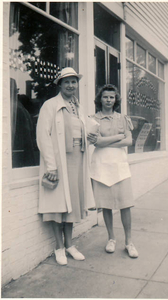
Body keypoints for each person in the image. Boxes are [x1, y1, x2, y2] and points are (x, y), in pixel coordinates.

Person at [36, 67, 97, 265]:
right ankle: (58, 247)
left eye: (74, 82)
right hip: (59, 161)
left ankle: (70, 244)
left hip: (77, 160)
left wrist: (90, 137)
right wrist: (51, 167)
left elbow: (82, 131)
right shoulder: (50, 105)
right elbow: (43, 137)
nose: (71, 85)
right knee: (57, 205)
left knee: (72, 205)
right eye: (67, 82)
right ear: (60, 85)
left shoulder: (78, 107)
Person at [90, 84, 138, 258]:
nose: (108, 100)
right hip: (101, 165)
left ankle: (129, 242)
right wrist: (119, 136)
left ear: (115, 99)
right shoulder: (93, 119)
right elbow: (96, 143)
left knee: (125, 204)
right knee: (106, 204)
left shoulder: (122, 118)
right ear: (100, 99)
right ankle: (111, 238)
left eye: (111, 97)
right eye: (105, 97)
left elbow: (129, 141)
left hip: (119, 165)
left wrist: (107, 140)